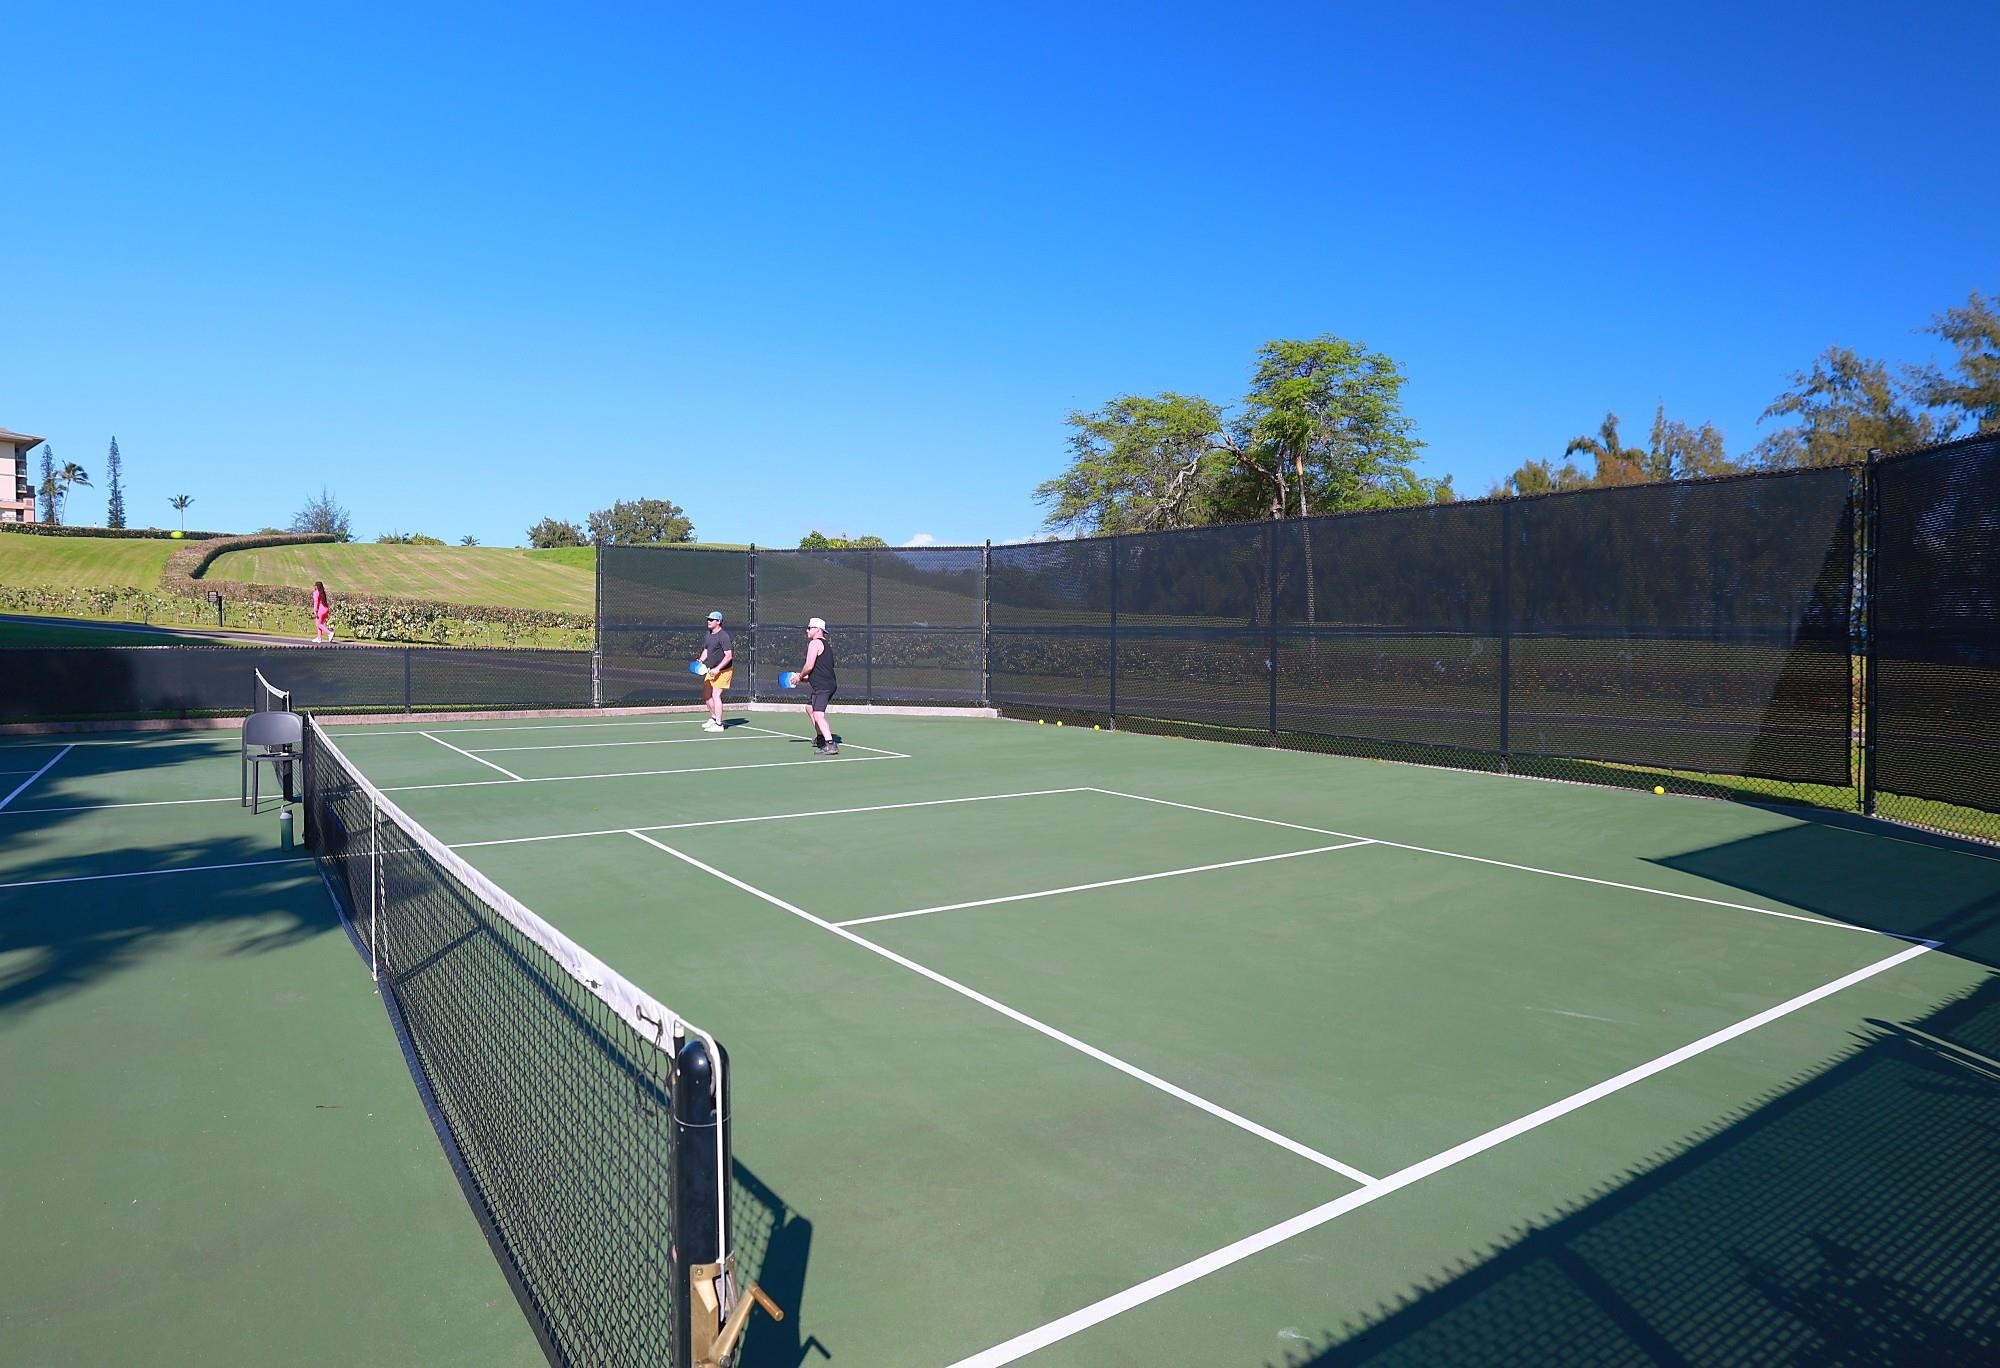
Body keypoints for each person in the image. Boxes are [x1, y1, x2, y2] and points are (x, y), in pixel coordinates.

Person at [796, 615, 838, 754]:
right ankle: (820, 737)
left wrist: (800, 676)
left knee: (818, 714)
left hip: (823, 687)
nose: (807, 630)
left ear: (818, 630)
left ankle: (830, 744)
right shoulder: (826, 645)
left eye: (809, 628)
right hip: (825, 684)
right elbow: (819, 670)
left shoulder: (815, 644)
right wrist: (805, 678)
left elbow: (809, 666)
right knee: (809, 708)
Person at [698, 610, 733, 731]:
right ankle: (713, 718)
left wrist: (718, 669)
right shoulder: (709, 634)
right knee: (707, 695)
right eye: (708, 619)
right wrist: (701, 661)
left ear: (718, 622)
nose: (708, 621)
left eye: (711, 620)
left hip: (723, 671)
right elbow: (706, 650)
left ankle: (719, 725)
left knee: (715, 694)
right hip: (711, 670)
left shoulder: (724, 636)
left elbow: (728, 656)